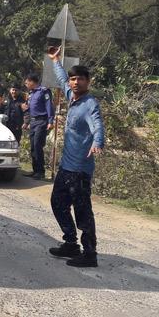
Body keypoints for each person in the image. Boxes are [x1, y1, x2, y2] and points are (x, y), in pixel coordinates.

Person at [46, 47, 105, 268]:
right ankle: (70, 243)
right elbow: (61, 78)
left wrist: (98, 142)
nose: (75, 82)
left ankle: (90, 253)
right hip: (66, 167)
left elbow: (97, 125)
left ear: (88, 81)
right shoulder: (71, 96)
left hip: (80, 169)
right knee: (58, 203)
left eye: (80, 79)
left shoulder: (90, 104)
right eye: (73, 79)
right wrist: (55, 61)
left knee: (82, 211)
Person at [23, 72, 54, 179]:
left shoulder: (44, 91)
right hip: (32, 122)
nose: (26, 84)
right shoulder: (31, 94)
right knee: (32, 147)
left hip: (41, 121)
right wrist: (26, 122)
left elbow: (49, 106)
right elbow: (28, 109)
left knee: (37, 145)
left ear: (32, 82)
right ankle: (35, 170)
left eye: (27, 82)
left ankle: (41, 172)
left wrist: (50, 121)